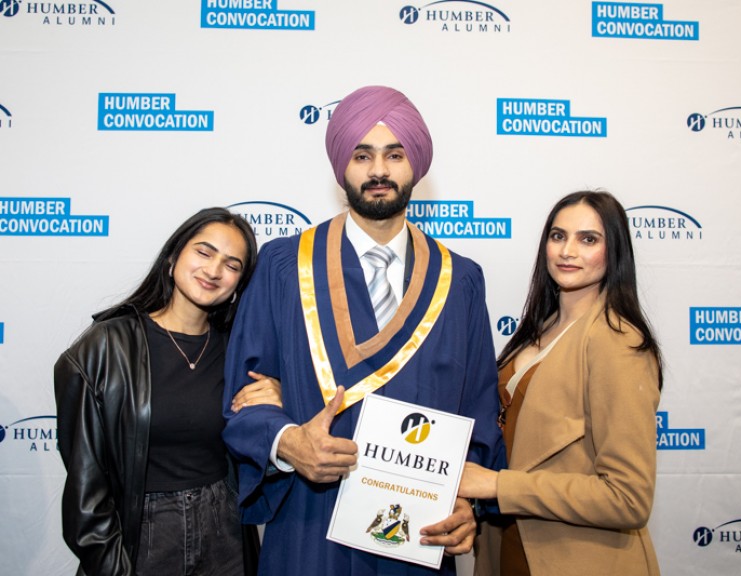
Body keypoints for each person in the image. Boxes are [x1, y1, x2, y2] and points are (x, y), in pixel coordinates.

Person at [223, 85, 504, 576]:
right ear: (342, 168)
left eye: (394, 154)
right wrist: (287, 442)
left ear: (415, 163)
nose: (378, 171)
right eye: (361, 155)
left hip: (418, 534)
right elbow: (242, 402)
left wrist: (468, 505)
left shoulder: (461, 280)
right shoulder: (285, 266)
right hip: (311, 524)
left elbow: (478, 414)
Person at [54, 207, 278, 576]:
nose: (214, 270)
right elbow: (85, 490)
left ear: (240, 281)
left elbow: (261, 465)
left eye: (232, 264)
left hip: (226, 533)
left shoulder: (240, 354)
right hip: (141, 537)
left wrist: (276, 403)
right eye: (203, 252)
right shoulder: (105, 348)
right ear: (174, 256)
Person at [459, 191, 663, 576]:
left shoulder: (617, 341)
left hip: (579, 557)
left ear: (614, 250)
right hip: (508, 548)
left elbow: (628, 497)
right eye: (558, 236)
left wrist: (498, 486)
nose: (568, 250)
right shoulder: (539, 329)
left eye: (588, 239)